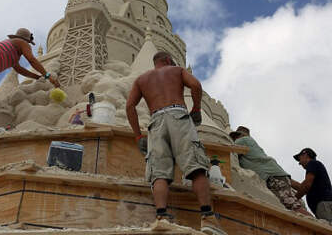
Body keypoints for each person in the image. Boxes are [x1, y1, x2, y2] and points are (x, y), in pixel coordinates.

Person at [126, 51, 226, 235]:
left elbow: (129, 106)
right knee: (196, 167)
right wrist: (196, 108)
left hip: (156, 122)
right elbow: (195, 84)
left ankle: (161, 217)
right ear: (167, 60)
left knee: (159, 173)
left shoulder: (142, 79)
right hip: (178, 115)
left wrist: (138, 136)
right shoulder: (177, 70)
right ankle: (207, 217)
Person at [229, 126, 311, 216]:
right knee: (290, 203)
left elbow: (230, 149)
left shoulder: (243, 140)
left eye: (235, 136)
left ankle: (315, 224)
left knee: (292, 206)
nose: (234, 139)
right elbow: (292, 183)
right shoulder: (253, 145)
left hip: (273, 178)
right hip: (277, 175)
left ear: (240, 135)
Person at [291, 148, 332, 225]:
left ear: (305, 155)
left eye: (300, 159)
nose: (299, 163)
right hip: (327, 207)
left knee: (327, 231)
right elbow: (303, 186)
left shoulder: (312, 163)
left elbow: (306, 186)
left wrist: (293, 200)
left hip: (325, 207)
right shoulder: (316, 168)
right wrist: (287, 180)